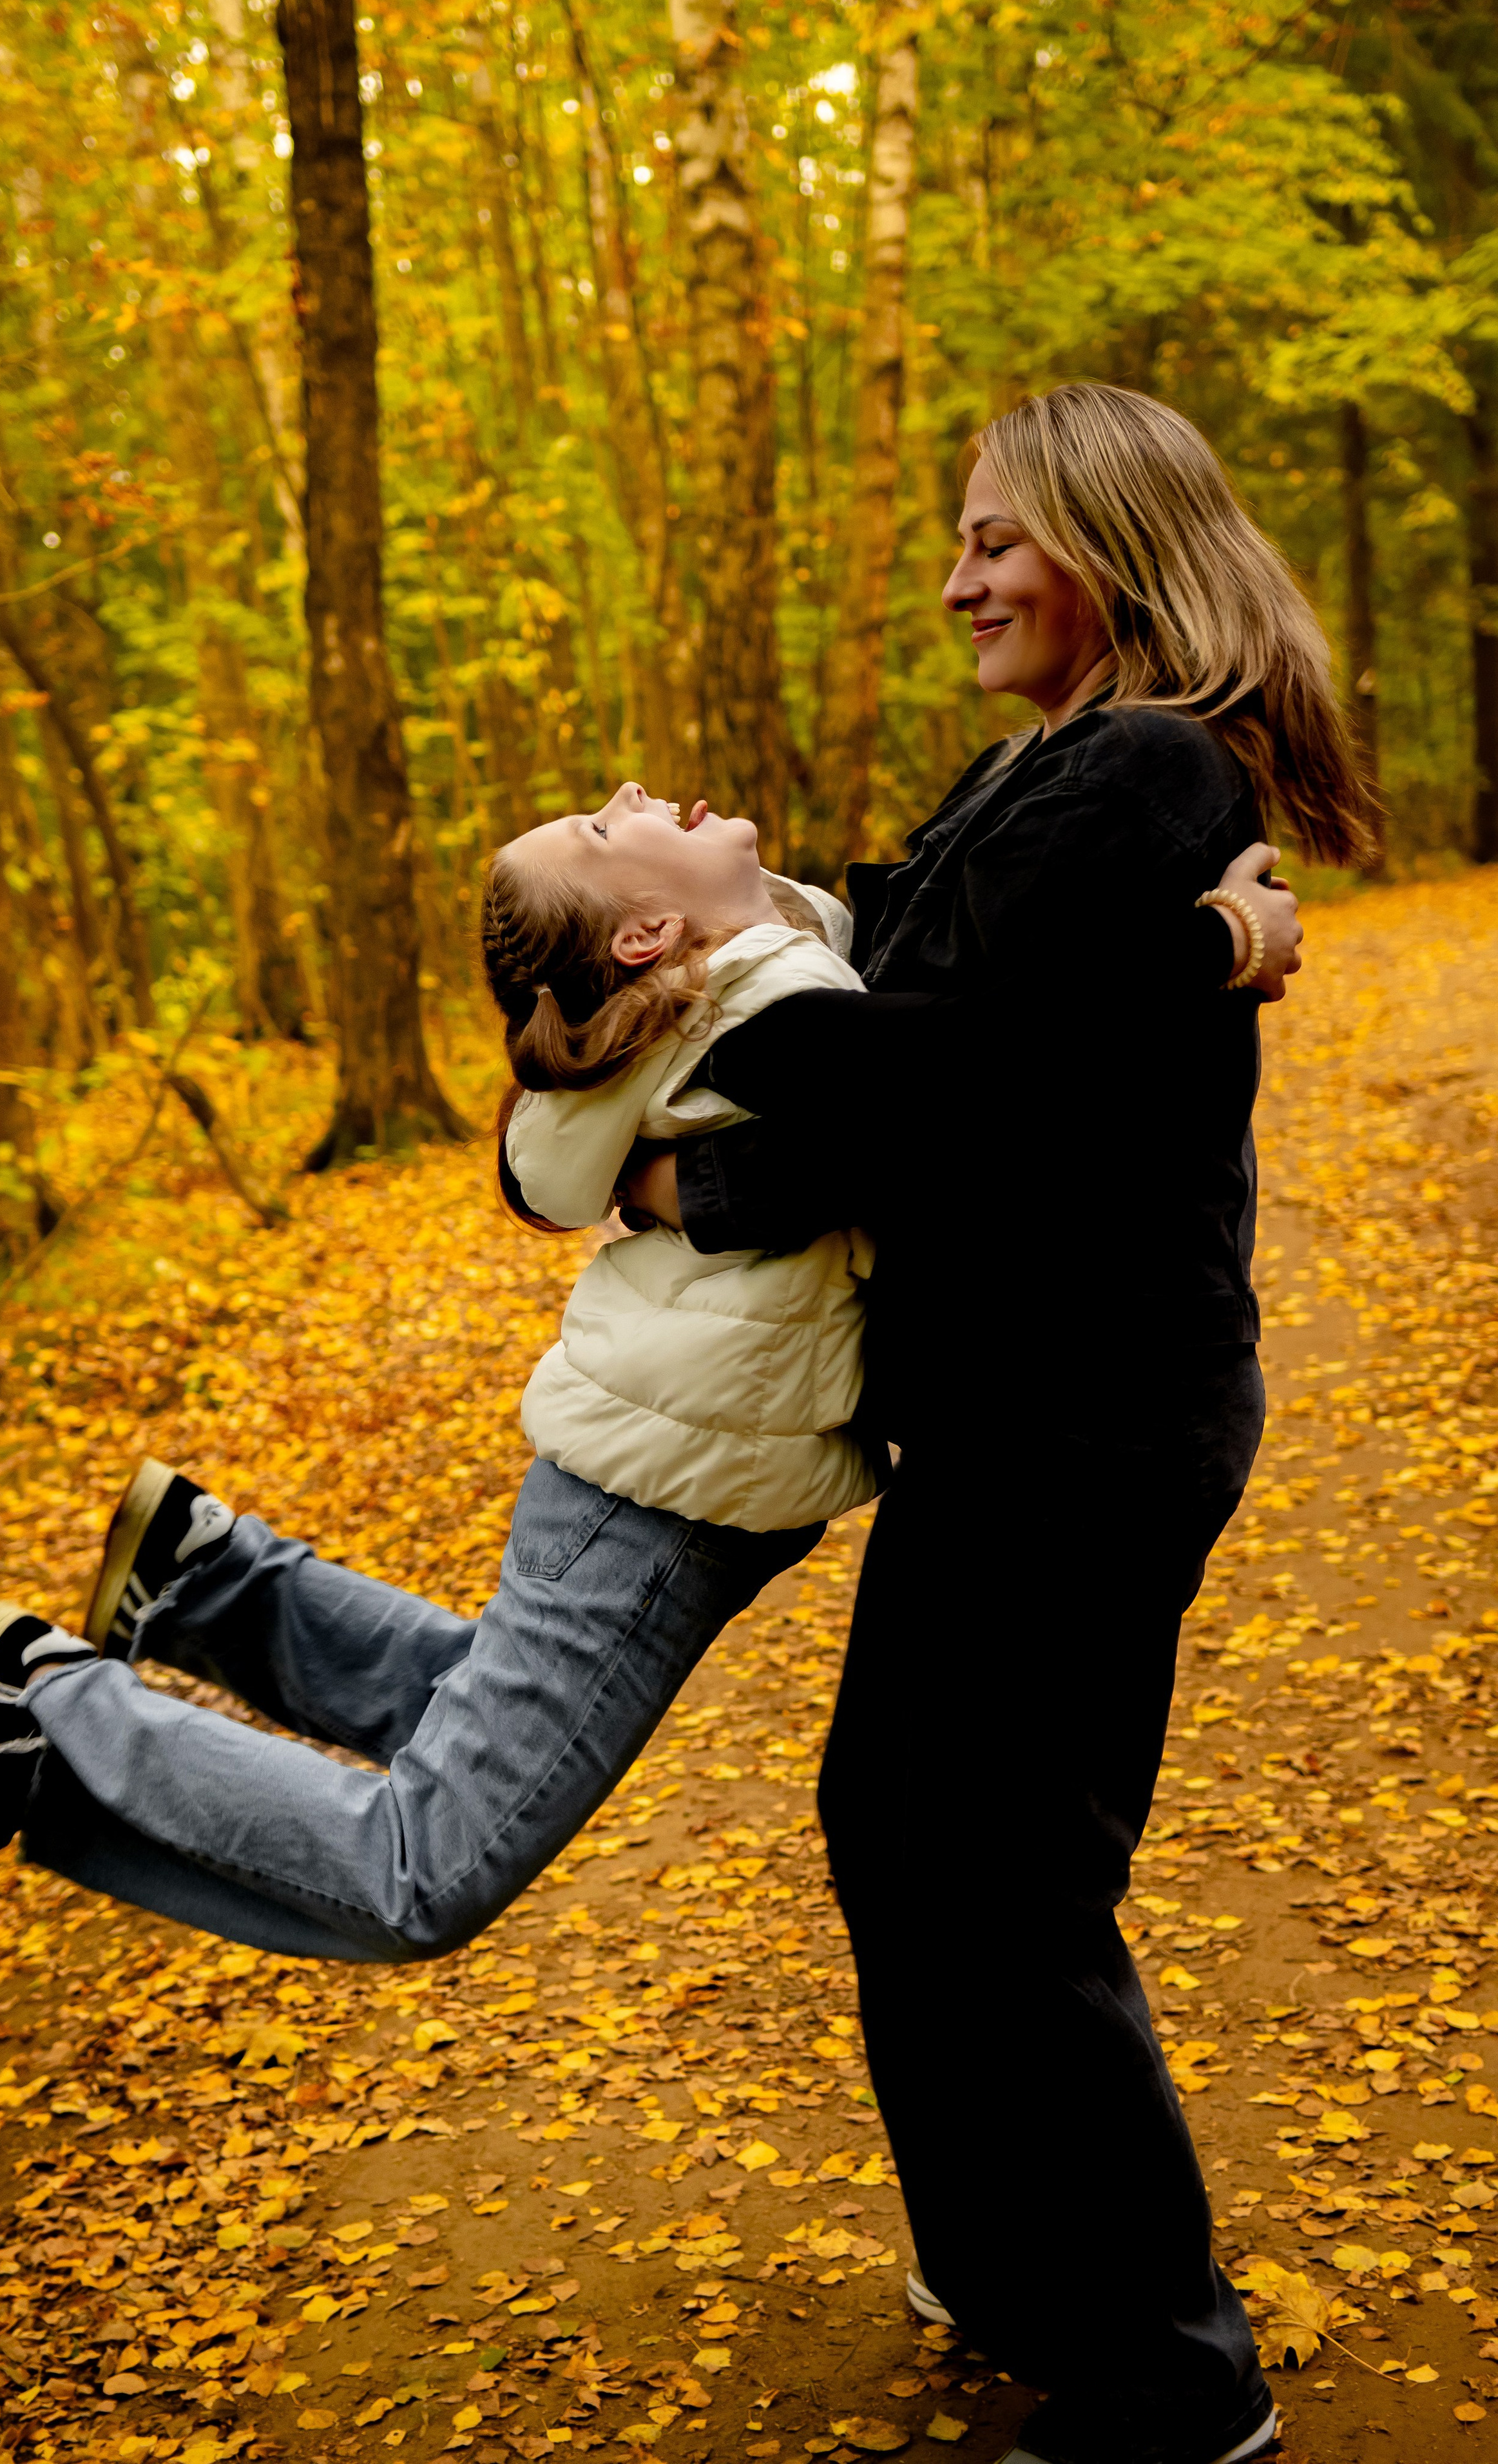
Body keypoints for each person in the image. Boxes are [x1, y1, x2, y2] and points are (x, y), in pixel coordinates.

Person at [619, 383, 1370, 2464]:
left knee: (1001, 1872)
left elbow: (938, 1068)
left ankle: (1165, 2366)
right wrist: (683, 946)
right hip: (1032, 1408)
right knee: (903, 1823)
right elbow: (918, 940)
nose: (958, 577)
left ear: (1115, 547)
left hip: (1089, 1413)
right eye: (955, 539)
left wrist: (700, 1175)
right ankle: (1017, 2253)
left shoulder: (1140, 765)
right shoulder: (1053, 775)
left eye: (996, 539)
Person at [0, 787, 874, 1950]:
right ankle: (48, 1715)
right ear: (644, 935)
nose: (626, 796)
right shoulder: (775, 1010)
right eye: (603, 833)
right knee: (424, 1868)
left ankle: (214, 1581)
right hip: (667, 1489)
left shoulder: (720, 994)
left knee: (473, 1706)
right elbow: (899, 1086)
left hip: (666, 1467)